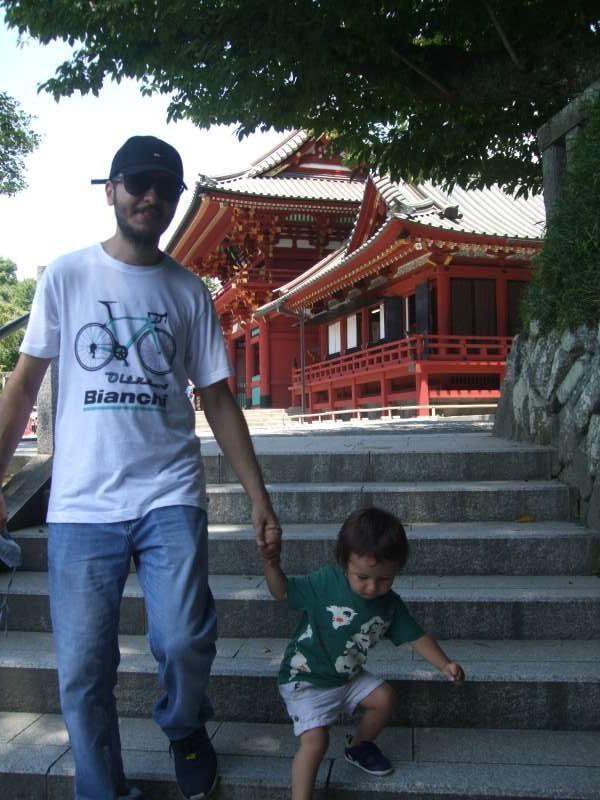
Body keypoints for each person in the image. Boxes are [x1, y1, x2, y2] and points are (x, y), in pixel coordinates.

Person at [0, 135, 281, 800]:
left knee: (184, 638)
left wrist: (258, 496)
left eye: (164, 185)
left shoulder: (188, 293)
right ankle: (102, 789)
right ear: (112, 190)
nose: (149, 195)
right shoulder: (66, 276)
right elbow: (21, 385)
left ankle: (185, 726)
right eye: (137, 182)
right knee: (83, 669)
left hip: (169, 495)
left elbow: (216, 396)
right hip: (80, 506)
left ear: (176, 197)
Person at [263, 506, 464, 800]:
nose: (372, 587)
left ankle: (358, 746)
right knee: (315, 742)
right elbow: (282, 592)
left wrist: (444, 664)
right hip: (306, 679)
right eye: (362, 577)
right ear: (344, 563)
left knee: (384, 698)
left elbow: (417, 636)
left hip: (347, 677)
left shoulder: (390, 604)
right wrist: (271, 564)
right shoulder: (325, 583)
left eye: (384, 579)